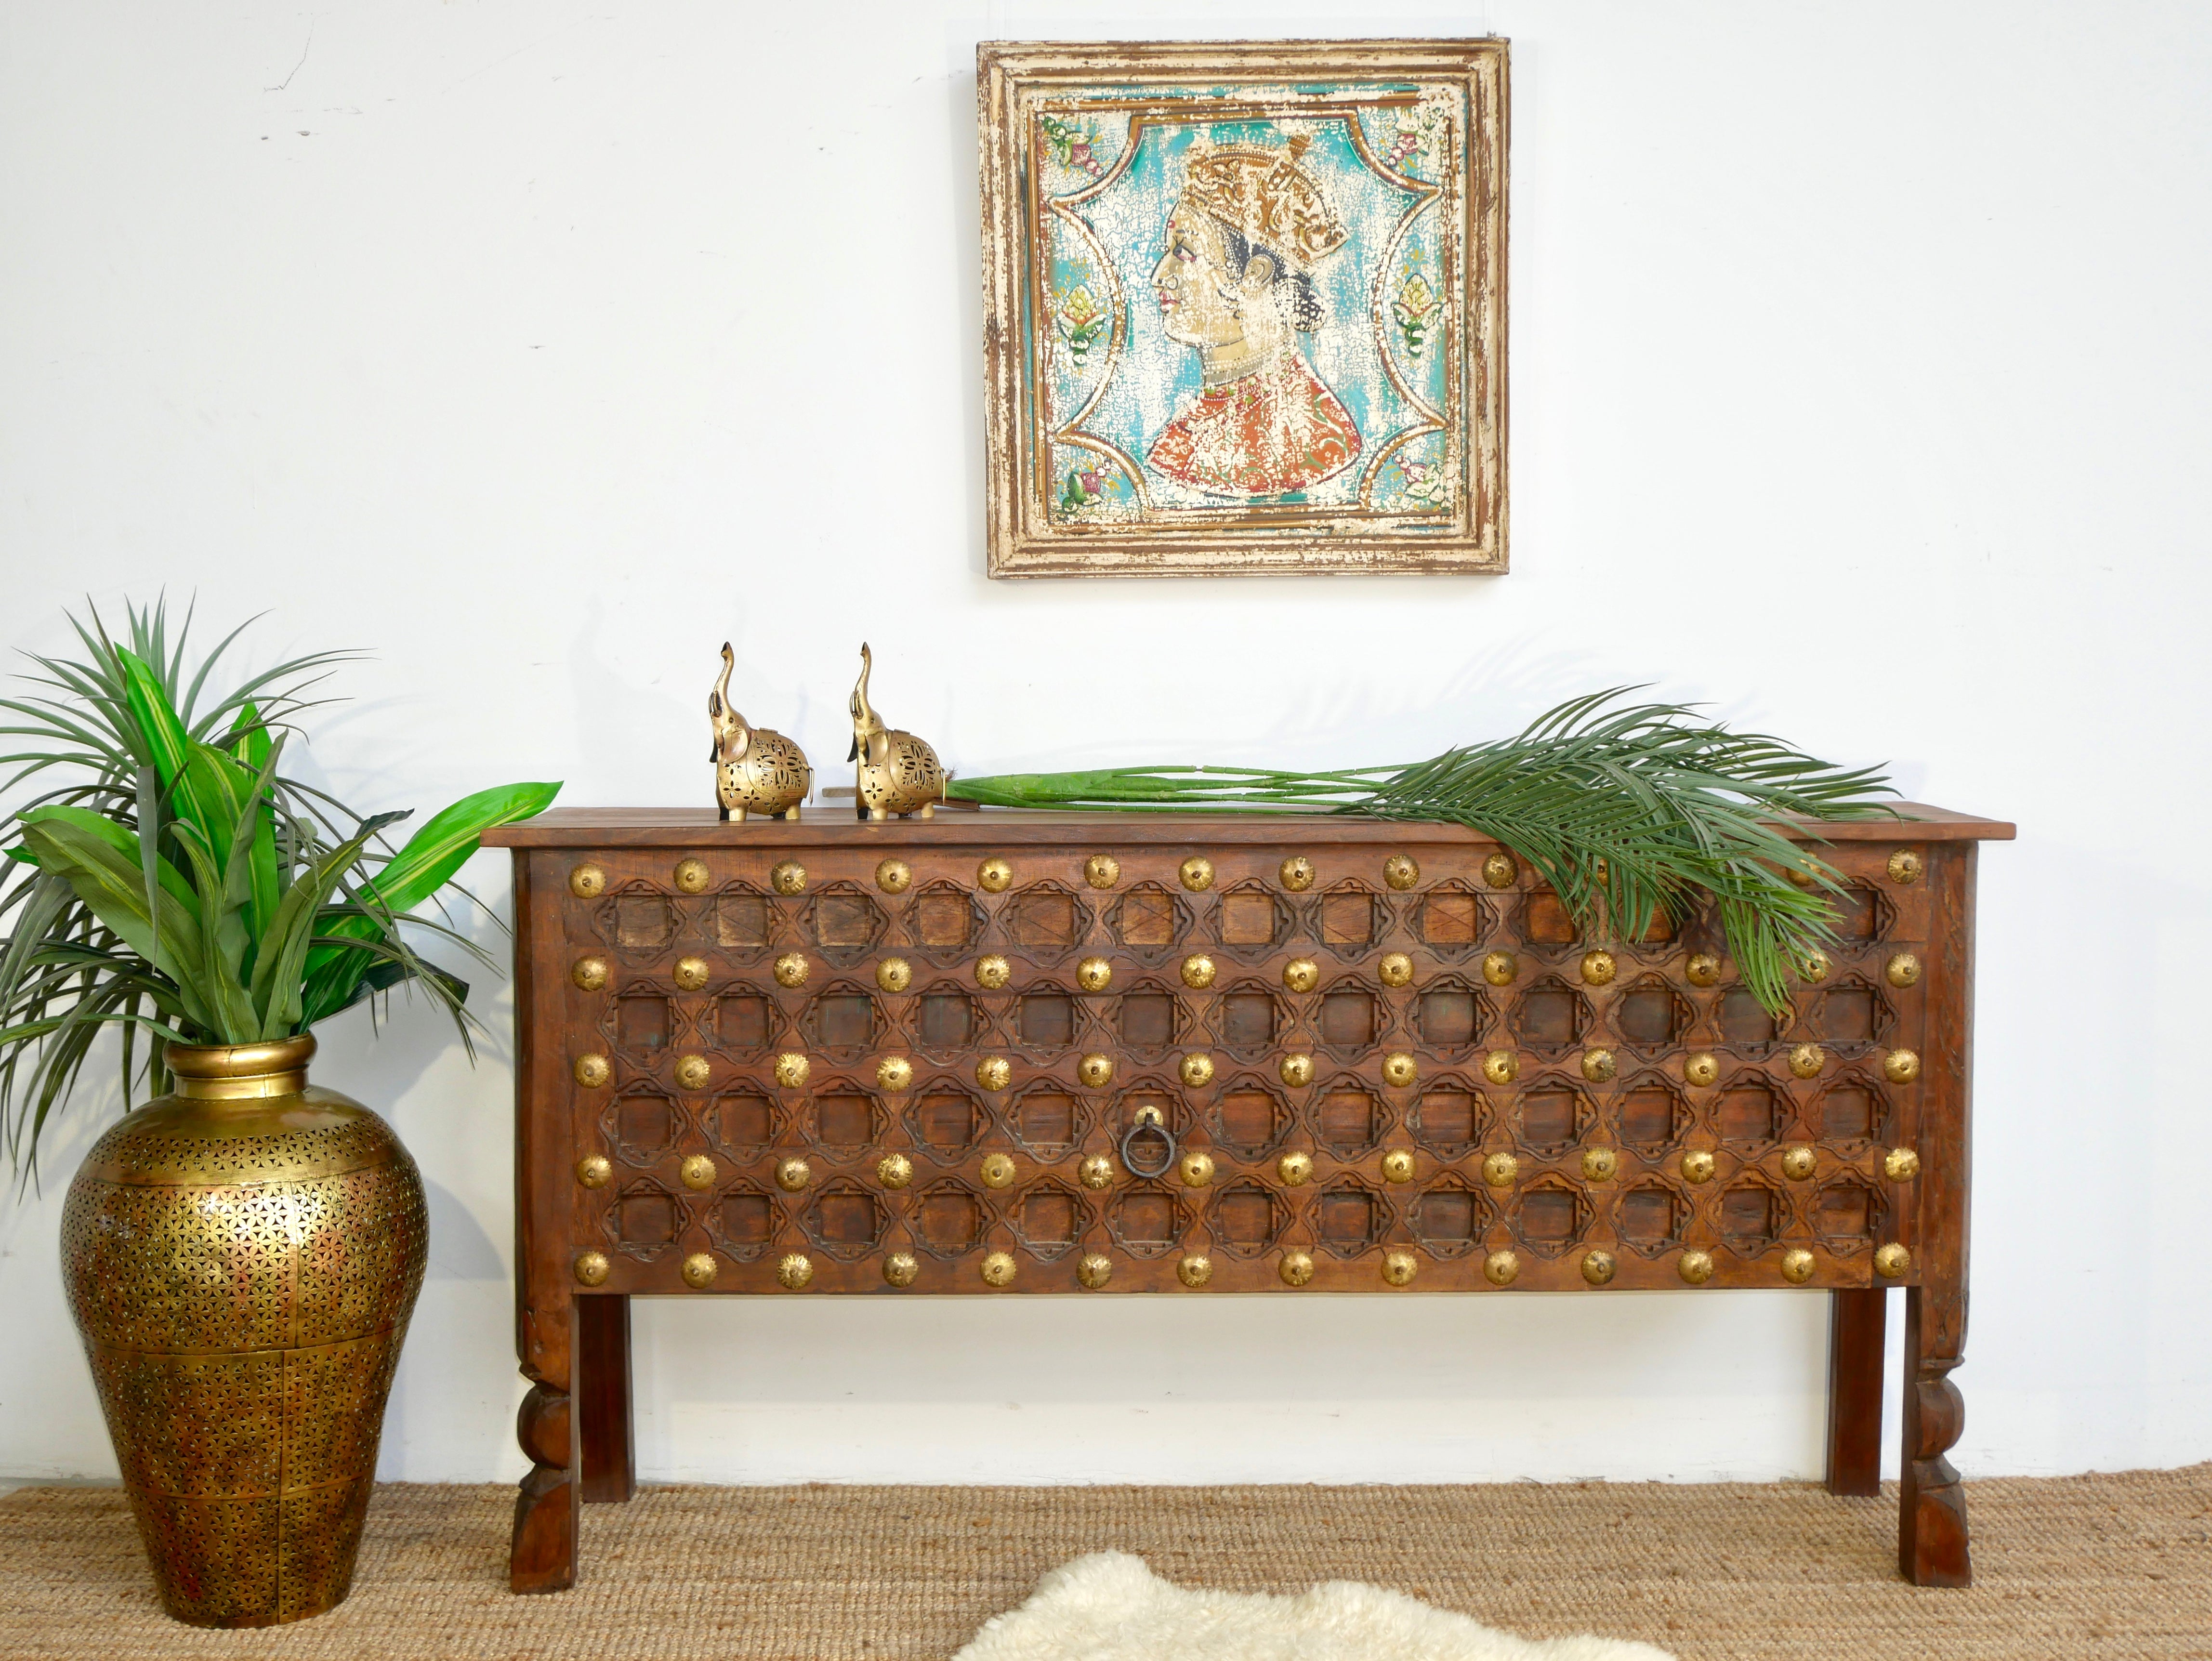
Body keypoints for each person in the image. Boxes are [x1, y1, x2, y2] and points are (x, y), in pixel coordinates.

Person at [1146, 135, 1362, 498]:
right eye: (1168, 253)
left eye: (1184, 254)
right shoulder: (1182, 433)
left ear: (1255, 276)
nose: (1159, 276)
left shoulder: (1316, 437)